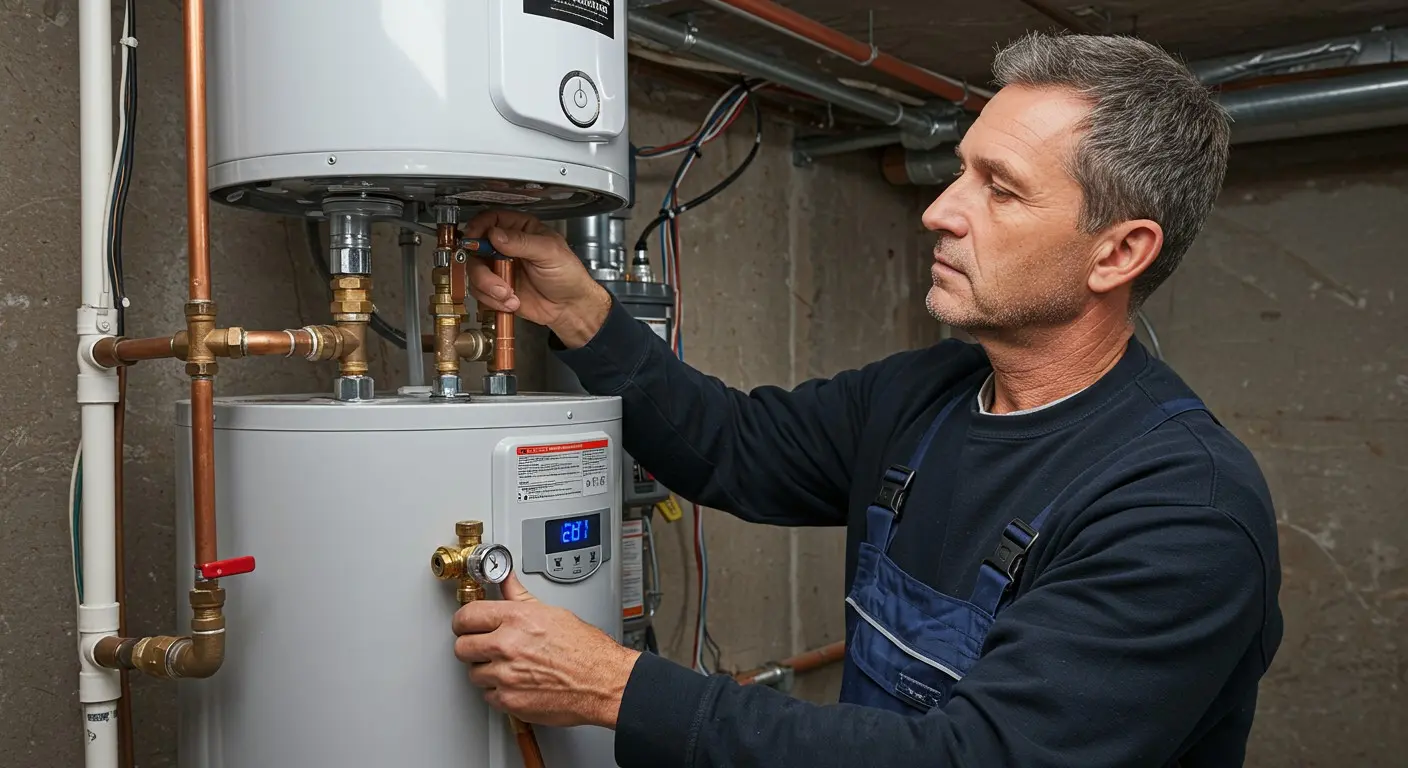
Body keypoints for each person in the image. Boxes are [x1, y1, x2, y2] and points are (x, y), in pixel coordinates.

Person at [449, 31, 1283, 768]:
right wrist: (580, 313)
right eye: (961, 169)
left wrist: (616, 688)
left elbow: (974, 759)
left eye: (1000, 188)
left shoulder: (1182, 513)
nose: (939, 211)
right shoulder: (929, 393)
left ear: (1118, 254)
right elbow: (733, 447)